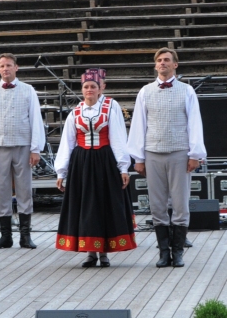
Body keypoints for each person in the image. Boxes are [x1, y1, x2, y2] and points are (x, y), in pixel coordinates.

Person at [127, 48, 206, 268]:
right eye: (159, 60)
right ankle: (164, 253)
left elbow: (195, 123)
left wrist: (195, 154)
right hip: (153, 153)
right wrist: (138, 157)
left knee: (180, 204)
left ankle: (178, 252)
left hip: (180, 153)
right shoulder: (145, 91)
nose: (163, 63)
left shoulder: (187, 91)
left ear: (175, 65)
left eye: (167, 60)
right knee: (157, 205)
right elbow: (139, 125)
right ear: (155, 65)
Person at [56, 70, 135, 267]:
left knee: (103, 205)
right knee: (86, 208)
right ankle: (90, 252)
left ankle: (104, 252)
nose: (89, 90)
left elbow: (118, 138)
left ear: (100, 89)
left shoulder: (109, 108)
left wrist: (123, 167)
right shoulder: (75, 113)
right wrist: (61, 171)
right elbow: (67, 143)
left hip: (105, 161)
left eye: (93, 86)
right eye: (86, 87)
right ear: (82, 90)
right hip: (82, 163)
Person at [0, 53, 46, 250]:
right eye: (2, 66)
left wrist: (35, 149)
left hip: (23, 145)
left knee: (24, 188)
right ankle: (5, 235)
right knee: (1, 190)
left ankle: (25, 235)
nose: (5, 69)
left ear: (16, 67)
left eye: (9, 65)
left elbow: (35, 119)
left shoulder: (28, 90)